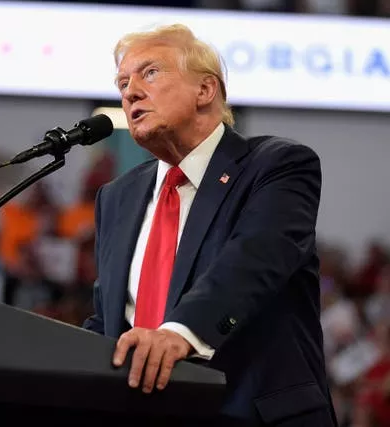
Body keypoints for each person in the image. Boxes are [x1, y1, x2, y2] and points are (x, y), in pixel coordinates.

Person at [82, 23, 336, 426]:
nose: (130, 92)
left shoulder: (277, 165)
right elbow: (109, 320)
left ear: (205, 90)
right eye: (123, 82)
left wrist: (179, 333)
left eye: (149, 73)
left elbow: (254, 259)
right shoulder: (117, 196)